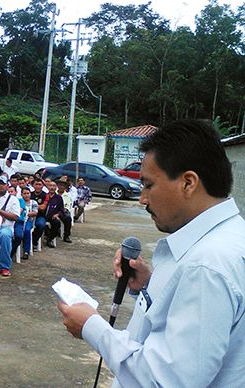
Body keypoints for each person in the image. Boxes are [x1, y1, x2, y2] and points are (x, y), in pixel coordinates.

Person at [58, 119, 245, 387]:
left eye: (148, 185)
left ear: (188, 183)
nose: (142, 199)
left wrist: (92, 328)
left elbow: (166, 380)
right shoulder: (229, 239)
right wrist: (149, 284)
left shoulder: (207, 265)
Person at [12, 187, 38, 260]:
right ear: (21, 194)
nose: (26, 195)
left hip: (29, 220)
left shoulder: (33, 202)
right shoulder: (19, 202)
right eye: (24, 193)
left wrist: (25, 213)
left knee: (27, 230)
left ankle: (26, 251)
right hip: (19, 220)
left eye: (28, 193)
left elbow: (35, 212)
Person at [42, 180, 65, 248]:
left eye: (54, 186)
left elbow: (61, 209)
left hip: (52, 216)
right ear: (47, 187)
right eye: (50, 186)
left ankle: (50, 239)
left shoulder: (59, 198)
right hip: (43, 215)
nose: (52, 187)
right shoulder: (44, 195)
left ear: (56, 187)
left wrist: (57, 214)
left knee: (57, 223)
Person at [31, 179, 49, 246]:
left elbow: (43, 207)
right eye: (36, 184)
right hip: (30, 216)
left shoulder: (45, 195)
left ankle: (34, 242)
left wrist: (33, 206)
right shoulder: (30, 194)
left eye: (40, 184)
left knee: (41, 225)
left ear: (42, 186)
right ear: (33, 185)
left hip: (40, 216)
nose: (38, 186)